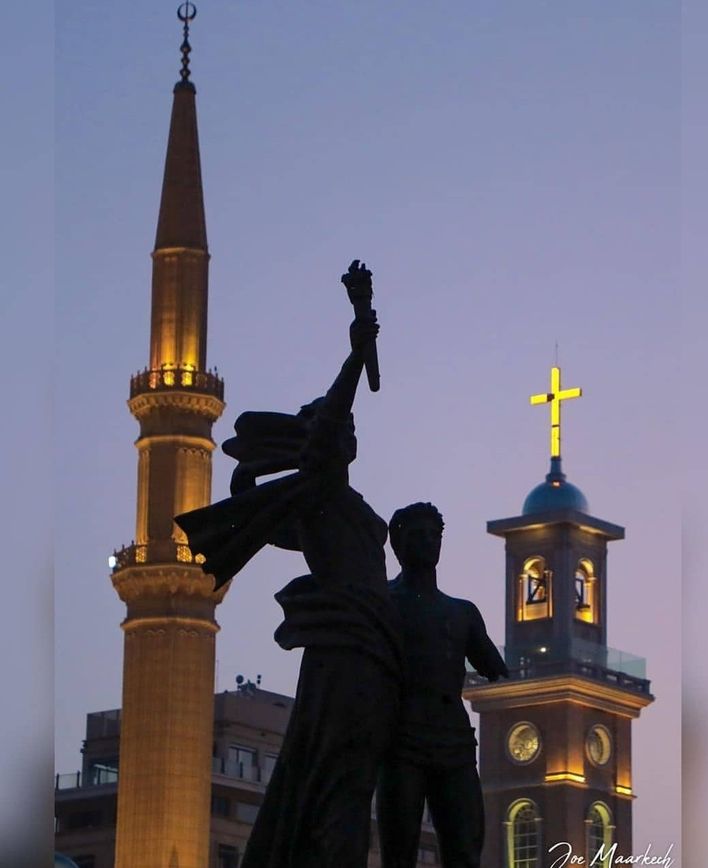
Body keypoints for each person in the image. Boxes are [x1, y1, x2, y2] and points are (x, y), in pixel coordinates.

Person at [175, 263, 402, 868]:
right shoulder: (321, 490)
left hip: (374, 647)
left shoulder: (338, 503)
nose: (347, 431)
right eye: (338, 426)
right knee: (341, 780)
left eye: (349, 428)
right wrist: (356, 343)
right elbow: (328, 426)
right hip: (346, 648)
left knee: (351, 776)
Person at [376, 502, 509, 868]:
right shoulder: (382, 601)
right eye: (417, 535)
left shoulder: (461, 612)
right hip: (402, 740)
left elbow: (496, 668)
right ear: (398, 544)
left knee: (465, 847)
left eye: (434, 535)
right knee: (399, 849)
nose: (428, 542)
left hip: (454, 743)